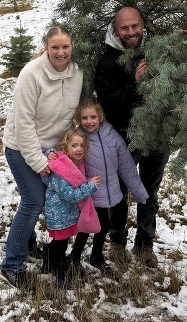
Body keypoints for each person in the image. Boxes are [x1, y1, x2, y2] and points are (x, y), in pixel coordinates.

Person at [0, 25, 86, 289]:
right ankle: (11, 265)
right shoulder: (31, 74)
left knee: (44, 200)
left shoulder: (77, 74)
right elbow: (22, 122)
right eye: (55, 47)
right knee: (33, 201)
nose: (61, 52)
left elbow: (70, 115)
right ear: (46, 48)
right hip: (20, 147)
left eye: (66, 46)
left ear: (72, 46)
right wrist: (38, 161)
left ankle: (25, 243)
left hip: (52, 151)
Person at [94, 7, 169, 268]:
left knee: (149, 190)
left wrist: (180, 43)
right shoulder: (107, 62)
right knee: (119, 190)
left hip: (156, 135)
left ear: (142, 25)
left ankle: (145, 243)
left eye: (135, 26)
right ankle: (117, 241)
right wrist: (133, 82)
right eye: (124, 28)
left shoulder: (154, 51)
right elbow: (107, 103)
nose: (131, 32)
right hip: (123, 138)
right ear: (116, 30)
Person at [70, 98, 149, 272]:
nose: (89, 122)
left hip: (109, 192)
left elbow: (127, 166)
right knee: (85, 227)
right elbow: (65, 155)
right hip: (89, 192)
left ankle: (96, 256)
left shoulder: (112, 136)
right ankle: (75, 258)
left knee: (103, 225)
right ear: (79, 119)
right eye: (84, 118)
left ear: (100, 117)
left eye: (93, 117)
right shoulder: (78, 137)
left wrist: (140, 193)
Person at [41, 128, 101, 282]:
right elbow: (69, 195)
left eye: (81, 145)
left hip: (65, 214)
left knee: (60, 241)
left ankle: (47, 262)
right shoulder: (61, 169)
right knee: (61, 245)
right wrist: (90, 186)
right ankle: (61, 273)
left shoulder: (74, 164)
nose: (79, 149)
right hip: (59, 214)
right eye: (74, 146)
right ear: (65, 147)